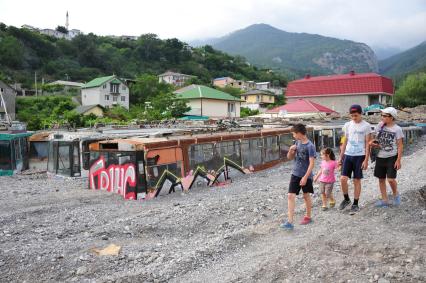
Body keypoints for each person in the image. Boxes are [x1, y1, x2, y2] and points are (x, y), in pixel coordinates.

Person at [281, 123, 316, 230]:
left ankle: (308, 216)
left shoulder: (310, 146)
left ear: (299, 133)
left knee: (306, 196)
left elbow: (312, 163)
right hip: (295, 173)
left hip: (306, 175)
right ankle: (290, 221)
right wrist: (291, 151)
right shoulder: (297, 143)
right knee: (290, 196)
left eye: (294, 134)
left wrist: (305, 177)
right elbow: (289, 158)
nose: (293, 136)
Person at [339, 104, 372, 214]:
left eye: (356, 115)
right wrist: (341, 156)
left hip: (360, 156)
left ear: (361, 114)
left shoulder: (366, 126)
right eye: (352, 115)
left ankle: (355, 203)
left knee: (356, 180)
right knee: (343, 178)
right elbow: (345, 141)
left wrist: (366, 159)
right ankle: (346, 199)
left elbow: (368, 143)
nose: (354, 117)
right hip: (348, 155)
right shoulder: (348, 125)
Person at [369, 107, 403, 207]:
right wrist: (372, 143)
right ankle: (384, 200)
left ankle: (396, 195)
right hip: (380, 156)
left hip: (392, 156)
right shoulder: (380, 126)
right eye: (382, 115)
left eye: (384, 116)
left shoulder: (397, 129)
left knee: (391, 179)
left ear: (392, 117)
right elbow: (373, 139)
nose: (382, 117)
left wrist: (398, 160)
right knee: (381, 178)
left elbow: (400, 145)